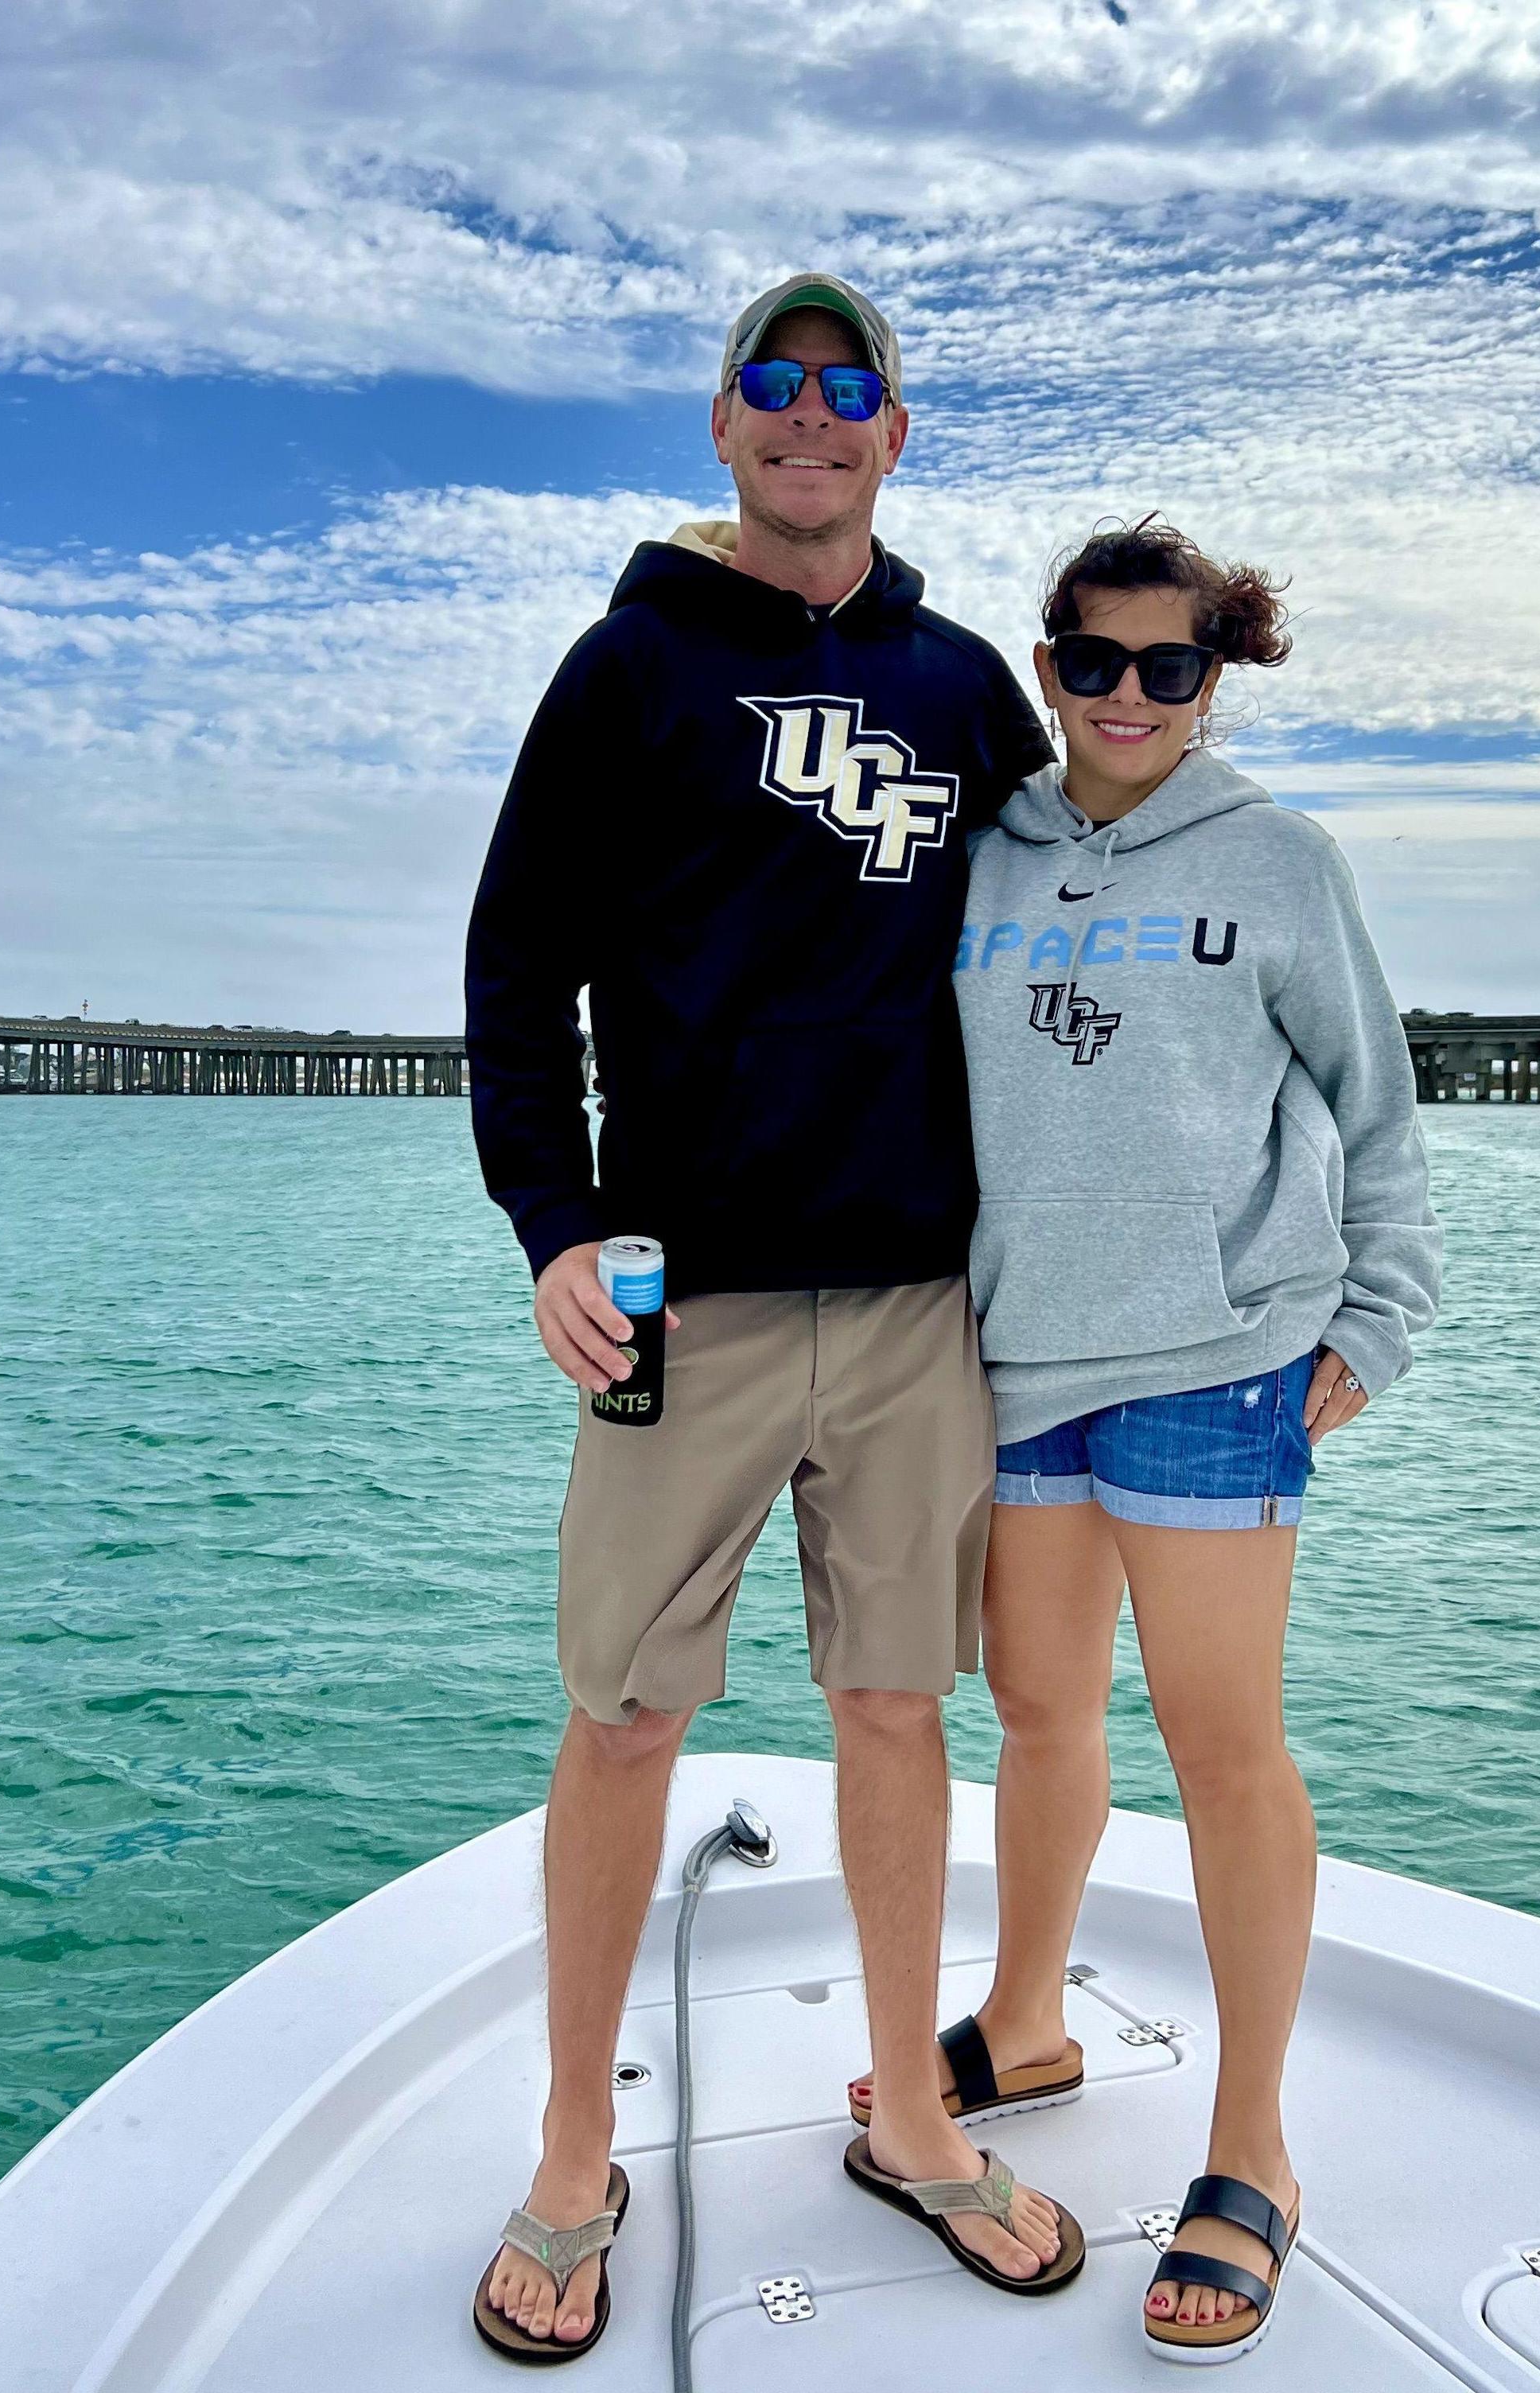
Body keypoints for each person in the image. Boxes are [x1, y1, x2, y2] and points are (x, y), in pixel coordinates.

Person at [461, 273, 1083, 2362]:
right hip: (686, 1298)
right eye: (773, 382)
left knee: (899, 1708)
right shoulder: (628, 667)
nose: (810, 414)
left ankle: (910, 2115)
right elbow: (515, 968)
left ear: (896, 432)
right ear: (721, 424)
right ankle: (574, 2154)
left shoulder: (963, 685)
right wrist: (553, 1224)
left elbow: (1078, 923)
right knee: (627, 1714)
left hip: (919, 1304)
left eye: (849, 387)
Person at [850, 519, 1442, 2363]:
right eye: (1092, 661)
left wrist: (1379, 1312)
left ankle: (1250, 2146)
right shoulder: (986, 849)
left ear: (1212, 680)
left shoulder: (1280, 861)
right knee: (1038, 1711)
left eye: (1166, 667)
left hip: (1216, 1354)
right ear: (1048, 668)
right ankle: (1027, 2022)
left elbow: (1372, 1100)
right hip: (1022, 1353)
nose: (1125, 695)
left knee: (1221, 1747)